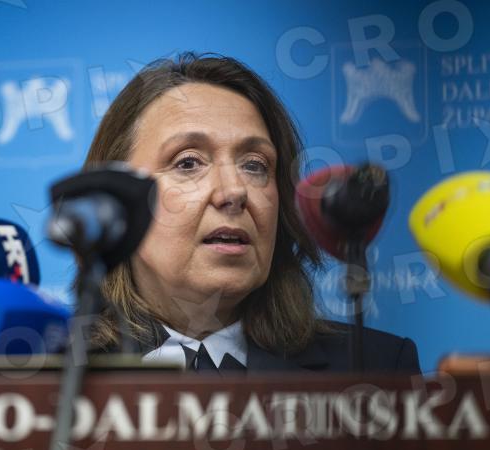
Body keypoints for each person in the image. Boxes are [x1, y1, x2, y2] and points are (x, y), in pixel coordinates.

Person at [85, 53, 419, 373]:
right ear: (115, 199)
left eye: (255, 165)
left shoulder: (376, 367)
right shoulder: (60, 380)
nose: (234, 191)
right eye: (188, 163)